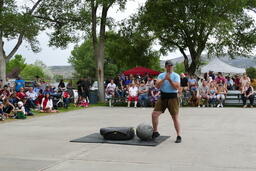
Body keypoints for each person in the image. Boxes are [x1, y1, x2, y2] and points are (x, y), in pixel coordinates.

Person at [151, 60, 182, 143]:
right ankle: (155, 132)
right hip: (163, 96)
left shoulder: (176, 75)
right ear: (165, 67)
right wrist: (164, 79)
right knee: (154, 114)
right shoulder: (161, 75)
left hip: (173, 97)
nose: (170, 67)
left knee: (175, 117)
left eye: (171, 66)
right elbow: (157, 86)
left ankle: (178, 135)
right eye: (168, 66)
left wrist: (170, 80)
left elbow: (176, 87)